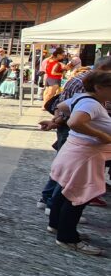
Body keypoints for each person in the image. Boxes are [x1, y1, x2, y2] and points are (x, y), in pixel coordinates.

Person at [46, 71, 111, 256]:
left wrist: (55, 121)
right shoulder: (91, 103)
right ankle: (67, 237)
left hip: (75, 151)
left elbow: (61, 106)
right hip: (84, 155)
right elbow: (75, 122)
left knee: (66, 189)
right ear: (99, 88)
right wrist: (101, 135)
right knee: (78, 195)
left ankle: (56, 226)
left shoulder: (82, 98)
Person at [37, 56, 111, 213]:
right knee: (69, 173)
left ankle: (51, 203)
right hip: (79, 138)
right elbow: (74, 118)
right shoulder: (87, 85)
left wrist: (56, 121)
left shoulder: (84, 81)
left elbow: (65, 105)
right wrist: (101, 134)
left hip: (76, 135)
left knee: (65, 170)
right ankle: (54, 206)